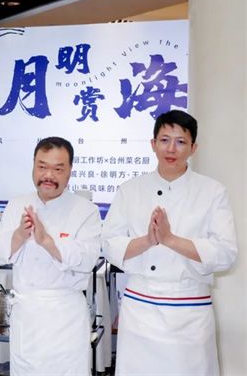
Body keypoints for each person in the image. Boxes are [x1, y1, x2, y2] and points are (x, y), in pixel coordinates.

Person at [101, 110, 238, 375]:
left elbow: (225, 253)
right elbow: (109, 244)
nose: (171, 149)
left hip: (190, 311)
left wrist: (170, 239)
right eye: (164, 140)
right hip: (140, 309)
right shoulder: (130, 190)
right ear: (153, 144)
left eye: (181, 141)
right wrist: (148, 240)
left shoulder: (212, 192)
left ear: (193, 148)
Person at [0, 136, 101, 376]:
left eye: (58, 169)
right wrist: (19, 235)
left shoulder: (86, 210)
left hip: (66, 316)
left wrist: (48, 242)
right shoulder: (17, 205)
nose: (48, 175)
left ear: (70, 171)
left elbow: (88, 258)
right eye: (42, 166)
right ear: (33, 166)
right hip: (27, 315)